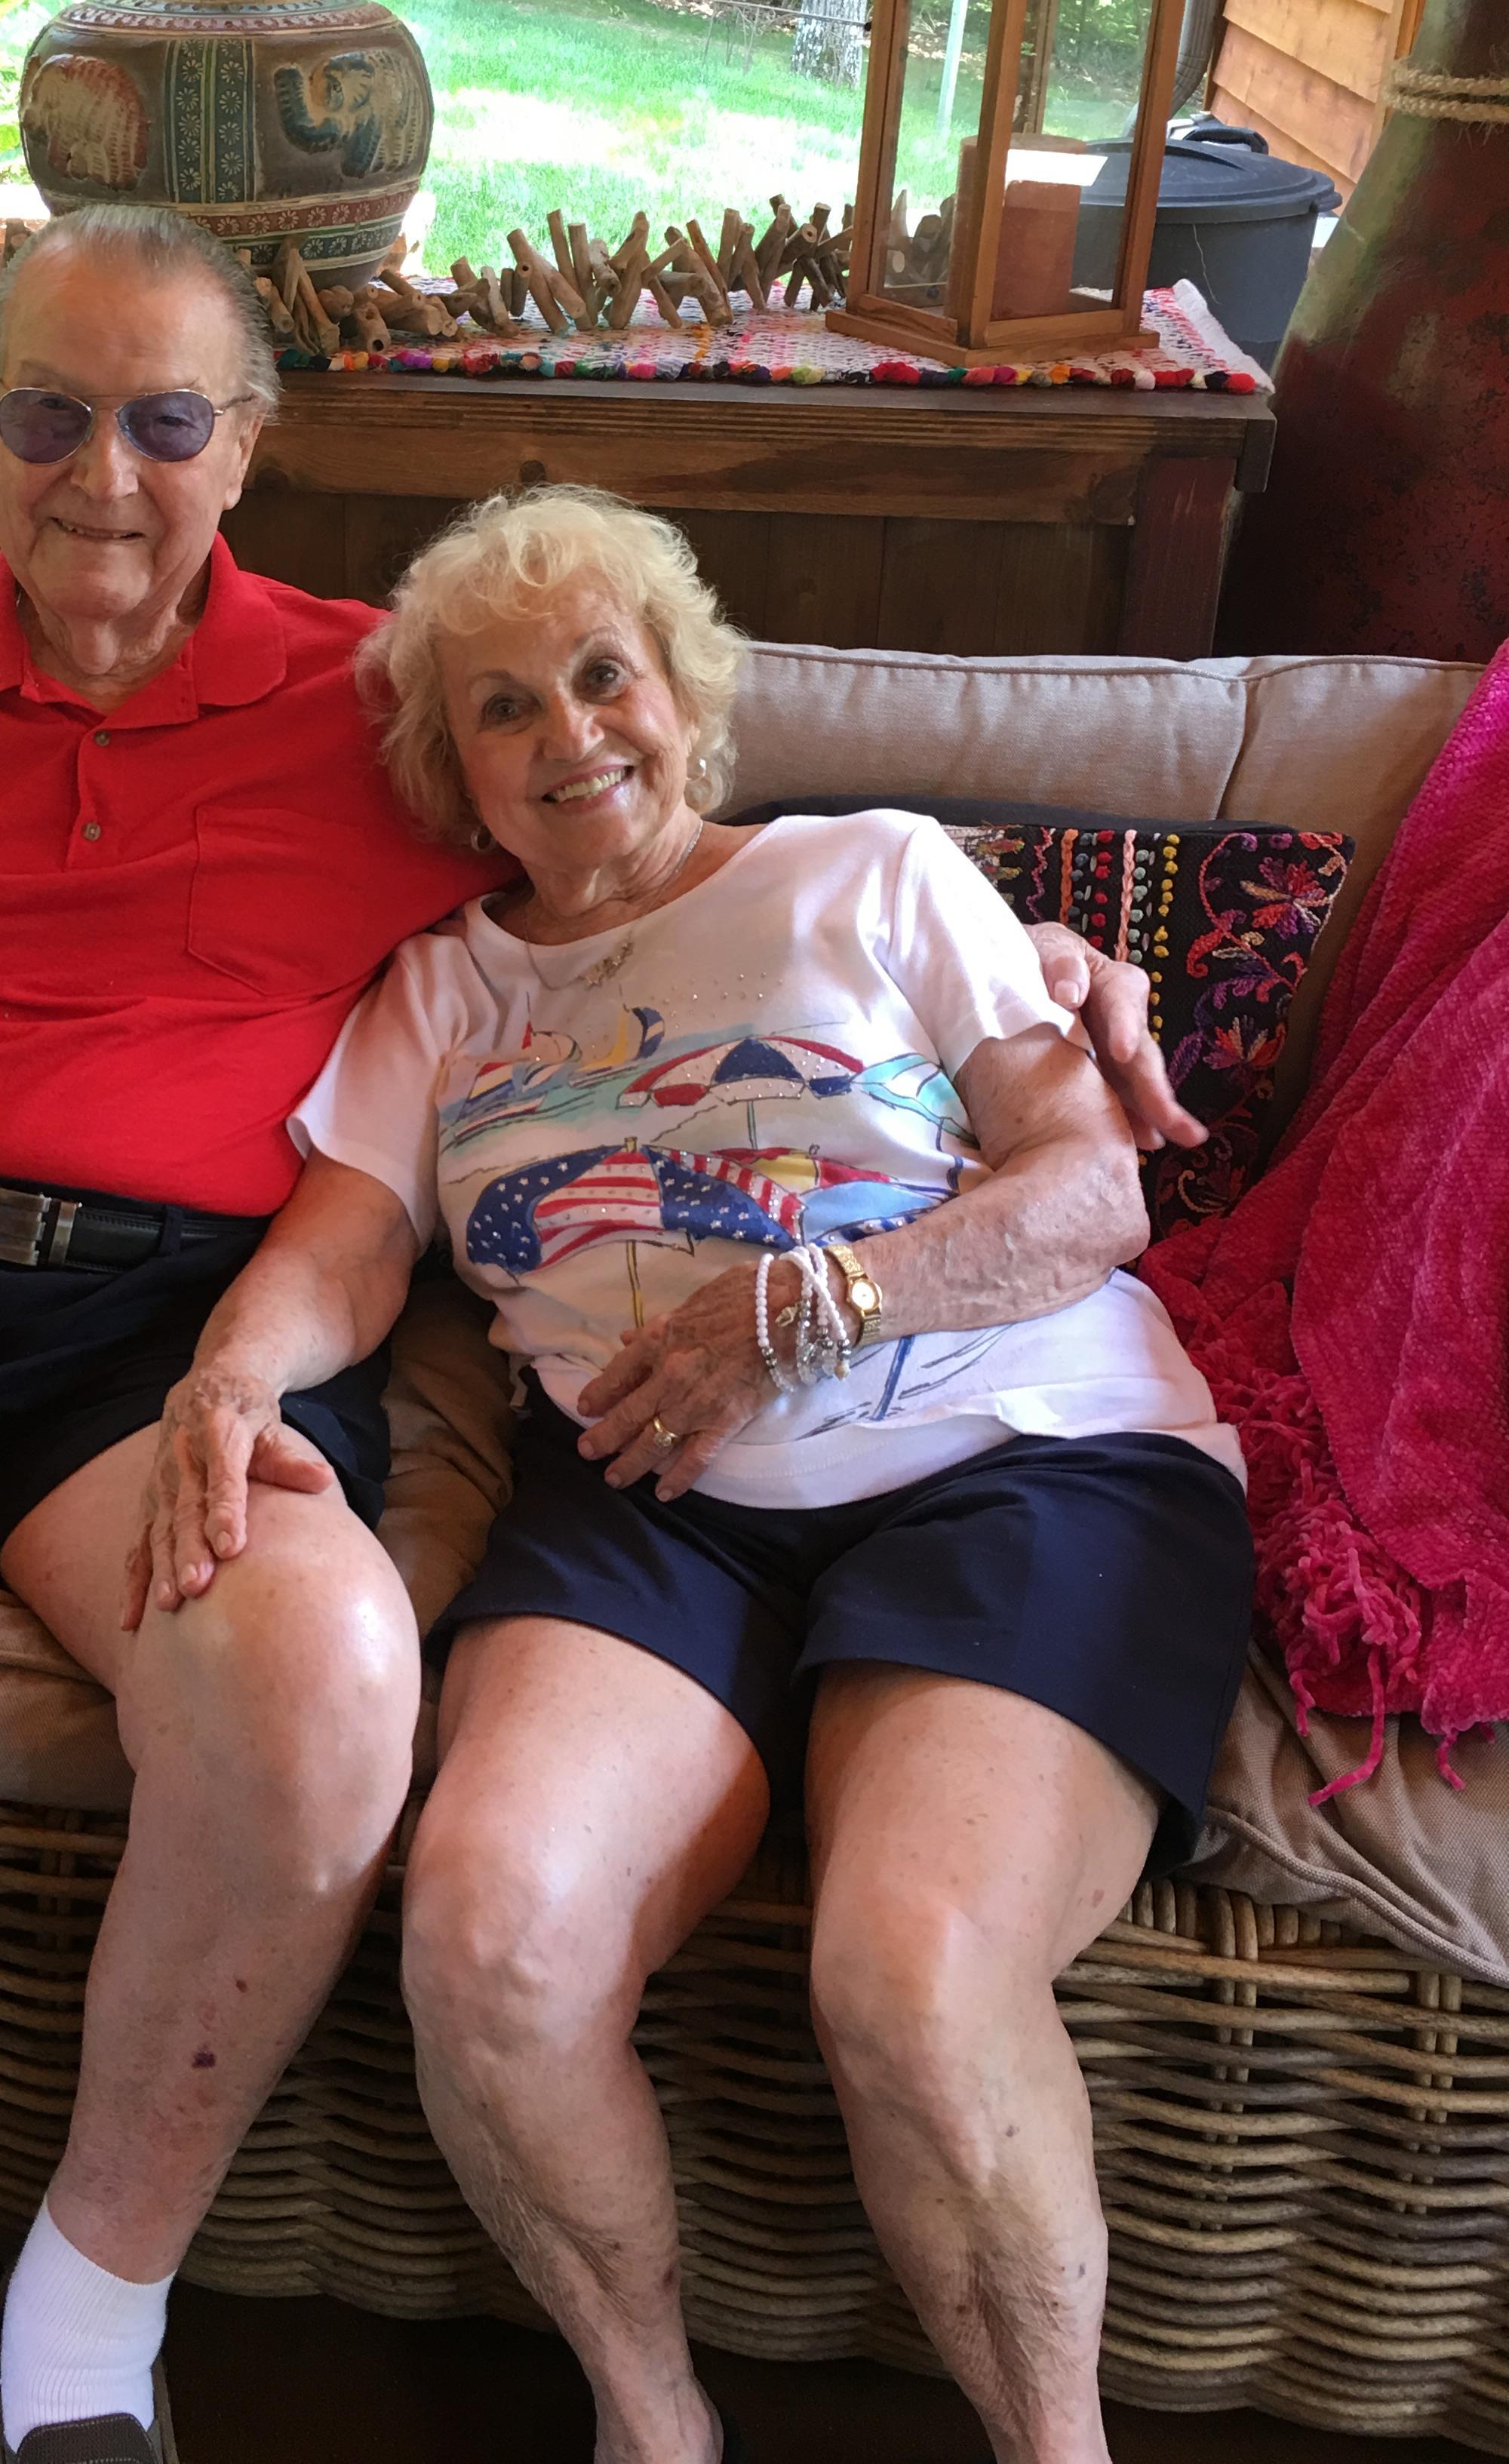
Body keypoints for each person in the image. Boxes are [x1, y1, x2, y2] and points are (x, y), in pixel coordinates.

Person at [0, 216, 1185, 2464]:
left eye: (168, 419)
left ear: (247, 446)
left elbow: (662, 832)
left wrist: (1035, 968)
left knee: (326, 1686)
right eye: (48, 414)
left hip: (136, 1338)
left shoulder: (390, 709)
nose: (106, 474)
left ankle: (86, 2321)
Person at [143, 485, 1252, 2464]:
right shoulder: (440, 992)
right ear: (446, 767)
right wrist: (230, 1374)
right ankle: (652, 2425)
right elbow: (348, 1243)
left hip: (1022, 1452)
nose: (570, 736)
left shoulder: (877, 876)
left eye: (601, 676)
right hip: (650, 1504)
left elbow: (1089, 1193)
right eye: (502, 710)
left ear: (683, 690)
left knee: (910, 1976)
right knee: (488, 1933)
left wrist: (809, 1306)